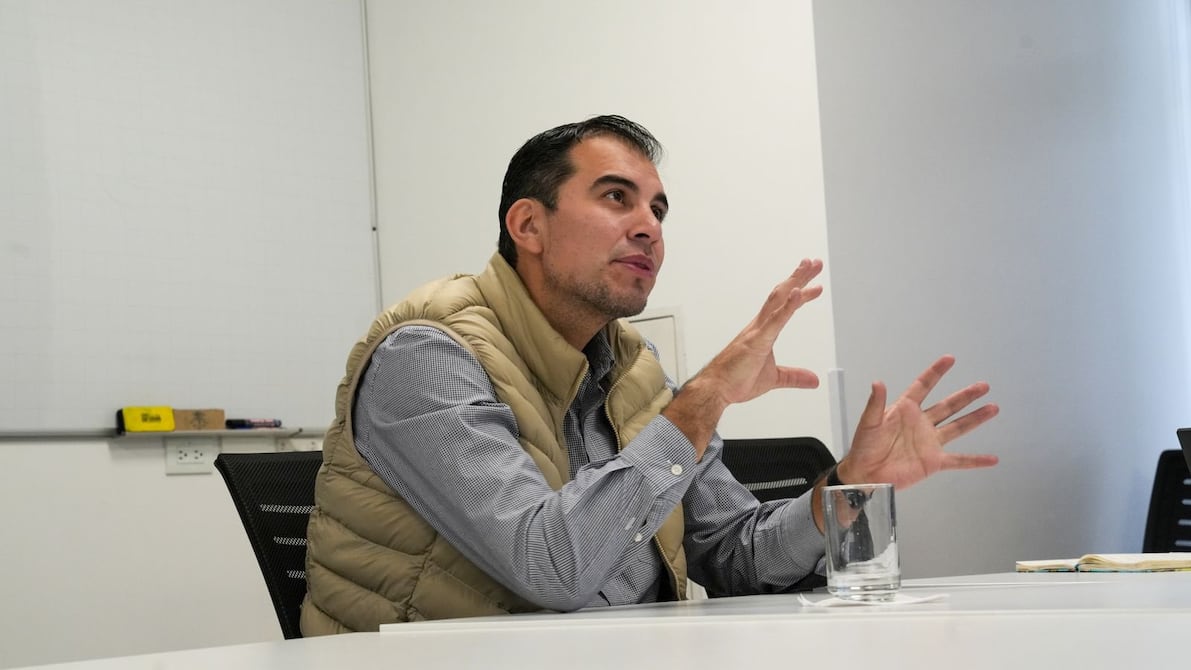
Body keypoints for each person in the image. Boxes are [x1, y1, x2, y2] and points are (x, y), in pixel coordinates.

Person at [299, 115, 999, 634]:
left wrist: (844, 489)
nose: (649, 228)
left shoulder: (634, 367)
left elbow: (733, 555)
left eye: (657, 210)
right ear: (528, 225)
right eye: (616, 197)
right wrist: (706, 397)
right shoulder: (426, 355)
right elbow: (551, 568)